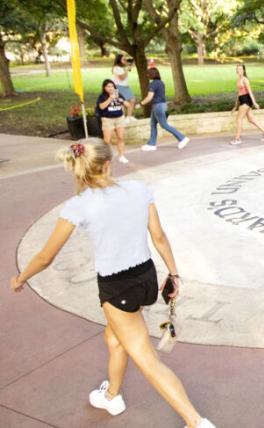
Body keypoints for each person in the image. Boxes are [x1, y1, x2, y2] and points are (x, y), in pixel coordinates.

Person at [8, 142, 215, 428]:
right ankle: (113, 396)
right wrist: (174, 274)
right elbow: (159, 237)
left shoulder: (77, 206)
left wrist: (20, 279)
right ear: (108, 164)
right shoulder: (139, 190)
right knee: (115, 337)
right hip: (146, 278)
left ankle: (195, 422)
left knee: (147, 360)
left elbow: (46, 257)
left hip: (118, 288)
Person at [138, 67, 190, 151]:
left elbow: (149, 97)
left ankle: (182, 138)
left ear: (151, 75)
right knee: (153, 124)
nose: (147, 75)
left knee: (164, 125)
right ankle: (151, 144)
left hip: (158, 107)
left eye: (148, 73)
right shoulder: (161, 83)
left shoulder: (153, 84)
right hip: (162, 105)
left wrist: (141, 104)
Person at [230, 64, 264, 145]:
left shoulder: (245, 80)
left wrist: (254, 103)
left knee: (239, 119)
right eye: (237, 69)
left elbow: (250, 92)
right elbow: (239, 93)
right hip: (242, 99)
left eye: (240, 69)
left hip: (246, 100)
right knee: (251, 119)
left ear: (244, 70)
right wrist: (236, 105)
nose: (239, 70)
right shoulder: (239, 79)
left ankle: (237, 139)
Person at [95, 79, 129, 164]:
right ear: (104, 88)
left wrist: (122, 101)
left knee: (121, 137)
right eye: (108, 86)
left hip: (119, 118)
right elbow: (101, 107)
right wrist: (110, 99)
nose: (110, 88)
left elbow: (128, 105)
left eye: (112, 86)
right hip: (107, 119)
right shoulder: (102, 96)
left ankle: (121, 156)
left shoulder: (119, 95)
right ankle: (106, 158)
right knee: (107, 140)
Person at [112, 54, 136, 123]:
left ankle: (128, 117)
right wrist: (127, 69)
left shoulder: (122, 67)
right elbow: (122, 78)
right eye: (123, 59)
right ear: (119, 60)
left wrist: (129, 66)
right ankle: (127, 118)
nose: (125, 60)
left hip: (124, 86)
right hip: (120, 86)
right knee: (129, 101)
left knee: (129, 101)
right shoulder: (116, 68)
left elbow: (129, 70)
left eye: (125, 59)